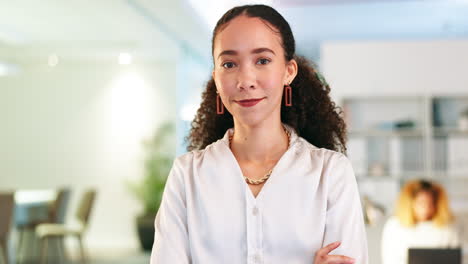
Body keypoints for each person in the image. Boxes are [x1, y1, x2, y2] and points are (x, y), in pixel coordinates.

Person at [151, 4, 368, 264]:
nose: (246, 80)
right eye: (229, 64)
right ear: (216, 79)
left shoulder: (330, 173)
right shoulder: (187, 176)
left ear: (289, 71)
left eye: (262, 60)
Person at [381, 179, 460, 264]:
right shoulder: (394, 226)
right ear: (410, 203)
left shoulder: (448, 227)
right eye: (421, 203)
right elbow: (390, 259)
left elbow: (454, 257)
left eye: (431, 203)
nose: (426, 208)